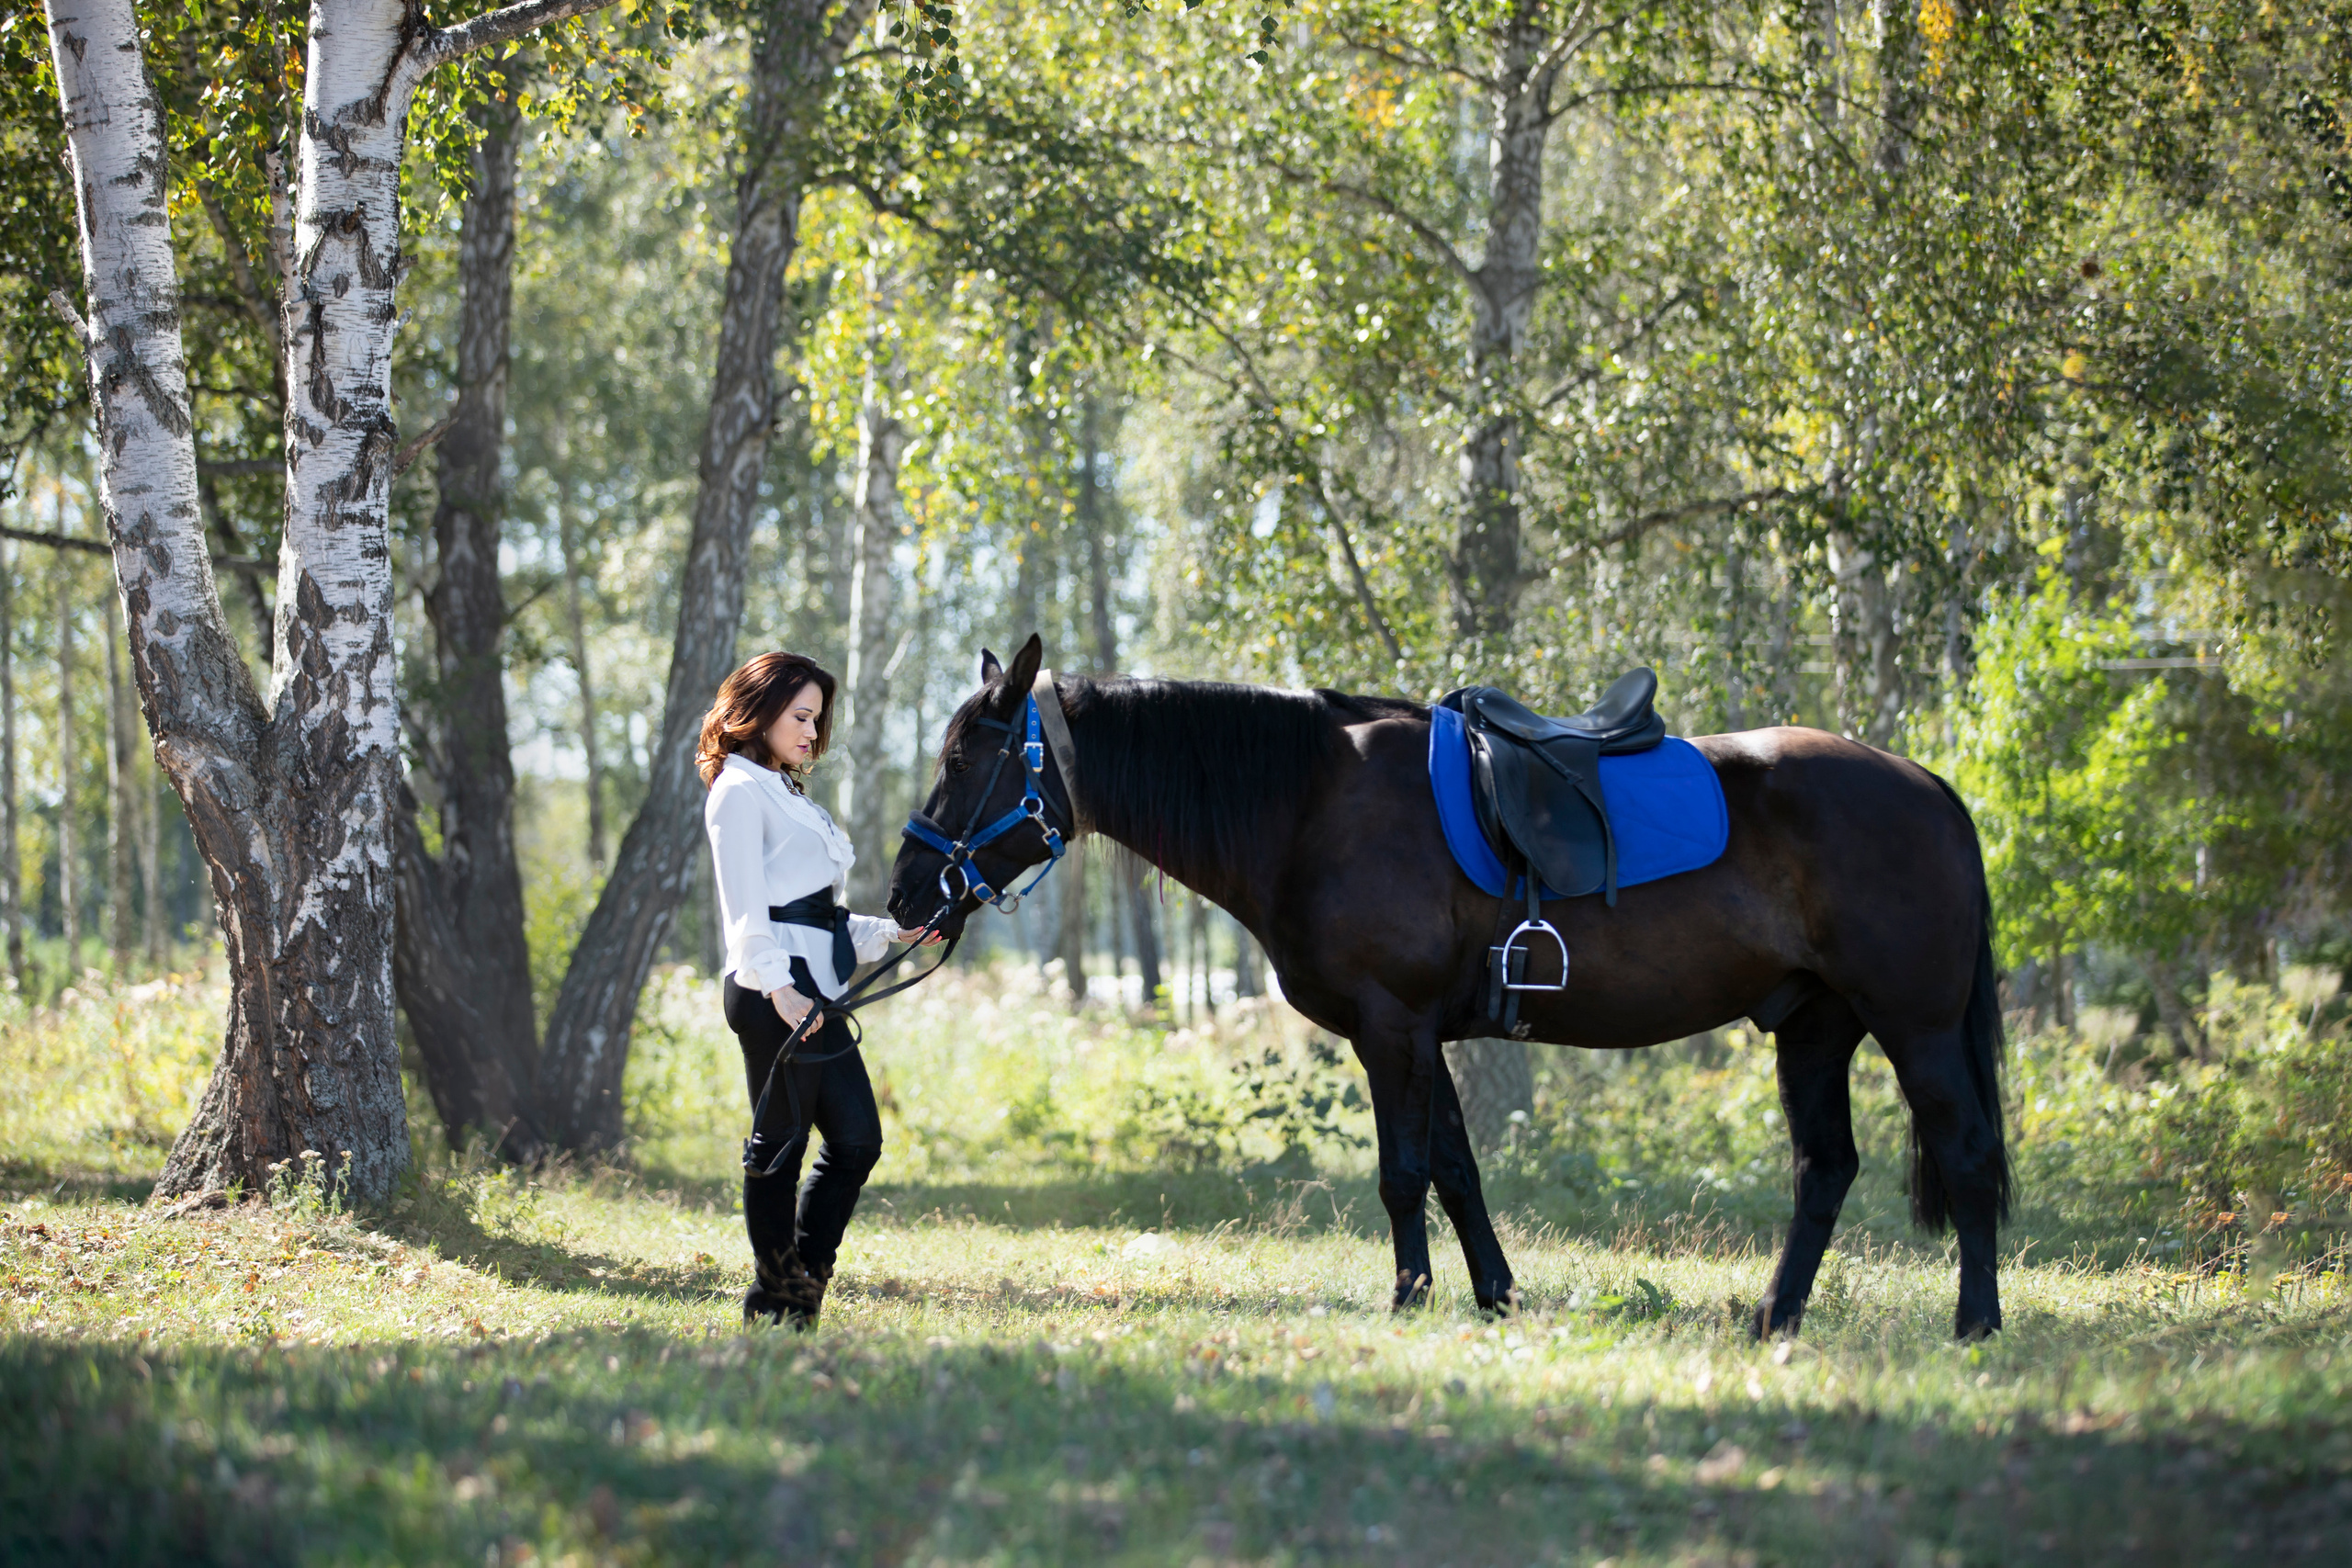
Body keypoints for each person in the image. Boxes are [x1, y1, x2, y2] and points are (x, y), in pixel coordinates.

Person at [697, 651, 934, 1327]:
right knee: (780, 1145)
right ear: (761, 709)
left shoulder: (783, 789)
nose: (812, 732)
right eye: (801, 716)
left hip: (814, 988)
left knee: (857, 1141)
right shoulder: (737, 789)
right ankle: (776, 1300)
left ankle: (799, 1285)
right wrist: (782, 990)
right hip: (773, 990)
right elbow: (747, 913)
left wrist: (894, 934)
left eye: (817, 719)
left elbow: (816, 918)